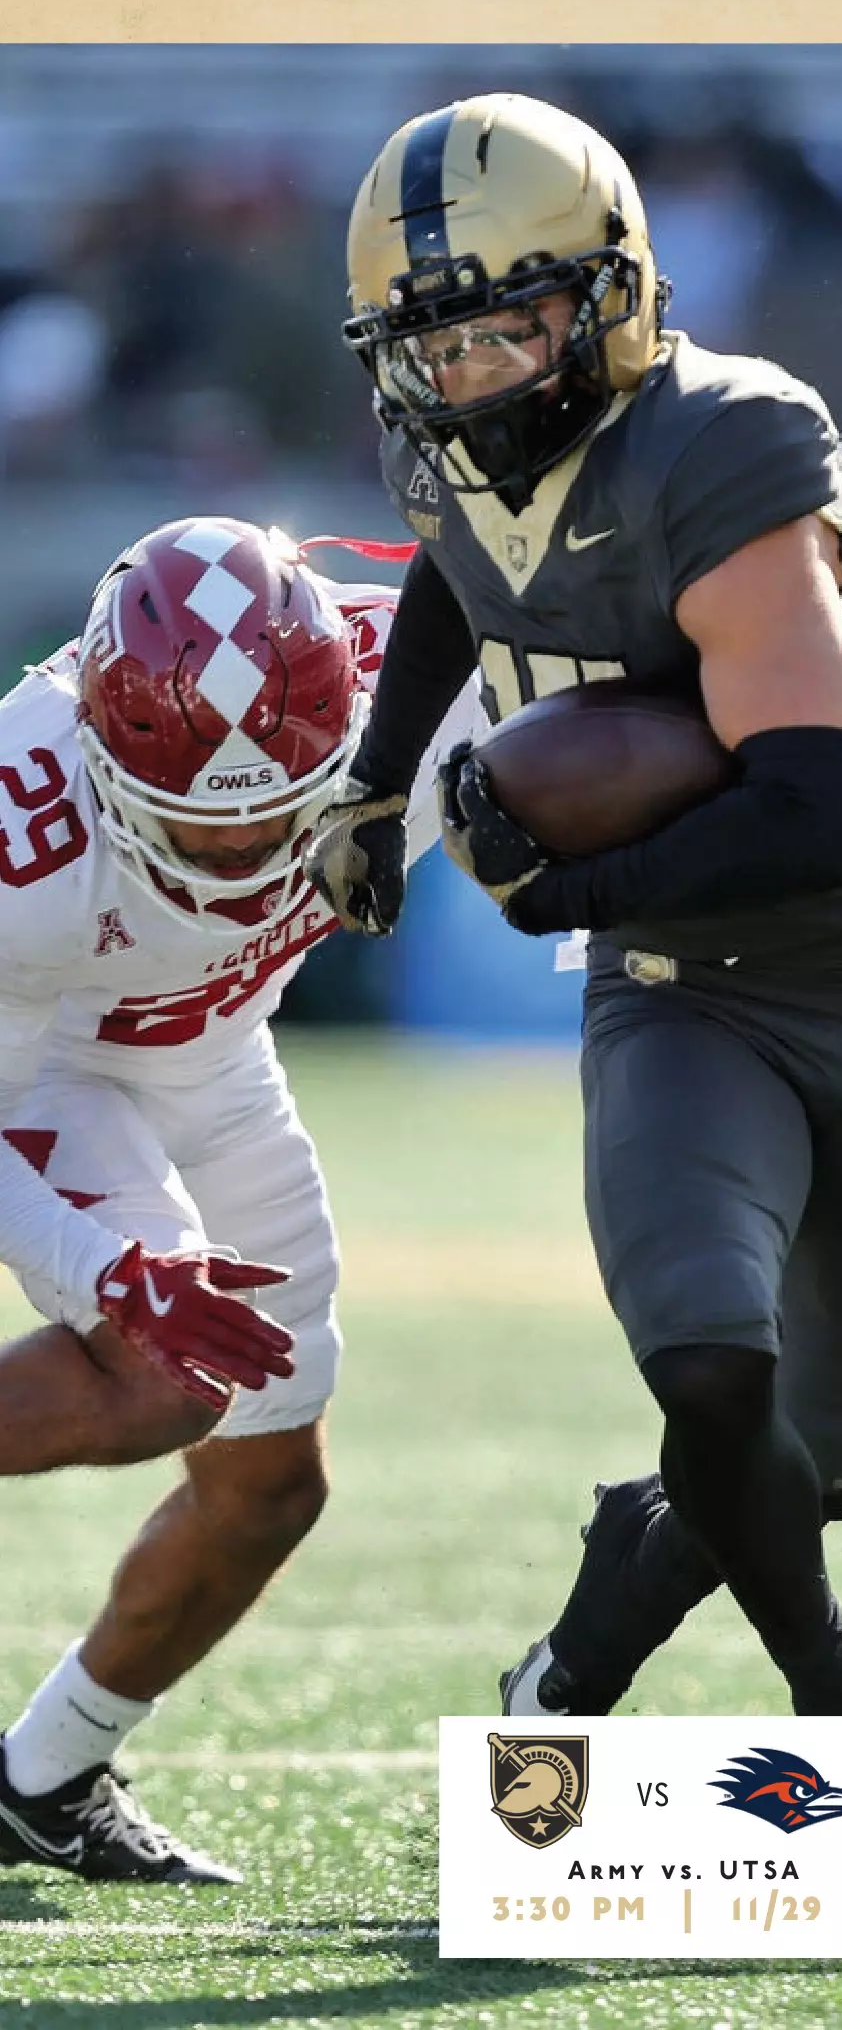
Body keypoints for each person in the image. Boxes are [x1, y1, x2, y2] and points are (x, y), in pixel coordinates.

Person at [308, 93, 842, 1908]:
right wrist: (382, 787)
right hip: (683, 994)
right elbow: (459, 589)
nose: (468, 374)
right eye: (434, 341)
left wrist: (550, 883)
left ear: (608, 297)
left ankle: (584, 1658)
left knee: (804, 1468)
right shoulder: (452, 443)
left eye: (510, 324)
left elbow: (809, 806)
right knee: (710, 1356)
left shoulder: (733, 439)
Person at [0, 514, 478, 1882]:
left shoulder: (429, 673)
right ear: (100, 753)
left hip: (218, 1050)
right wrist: (114, 1274)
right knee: (165, 1378)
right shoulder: (25, 828)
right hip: (51, 1066)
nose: (247, 857)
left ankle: (47, 1776)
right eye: (205, 829)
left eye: (280, 814)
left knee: (271, 1482)